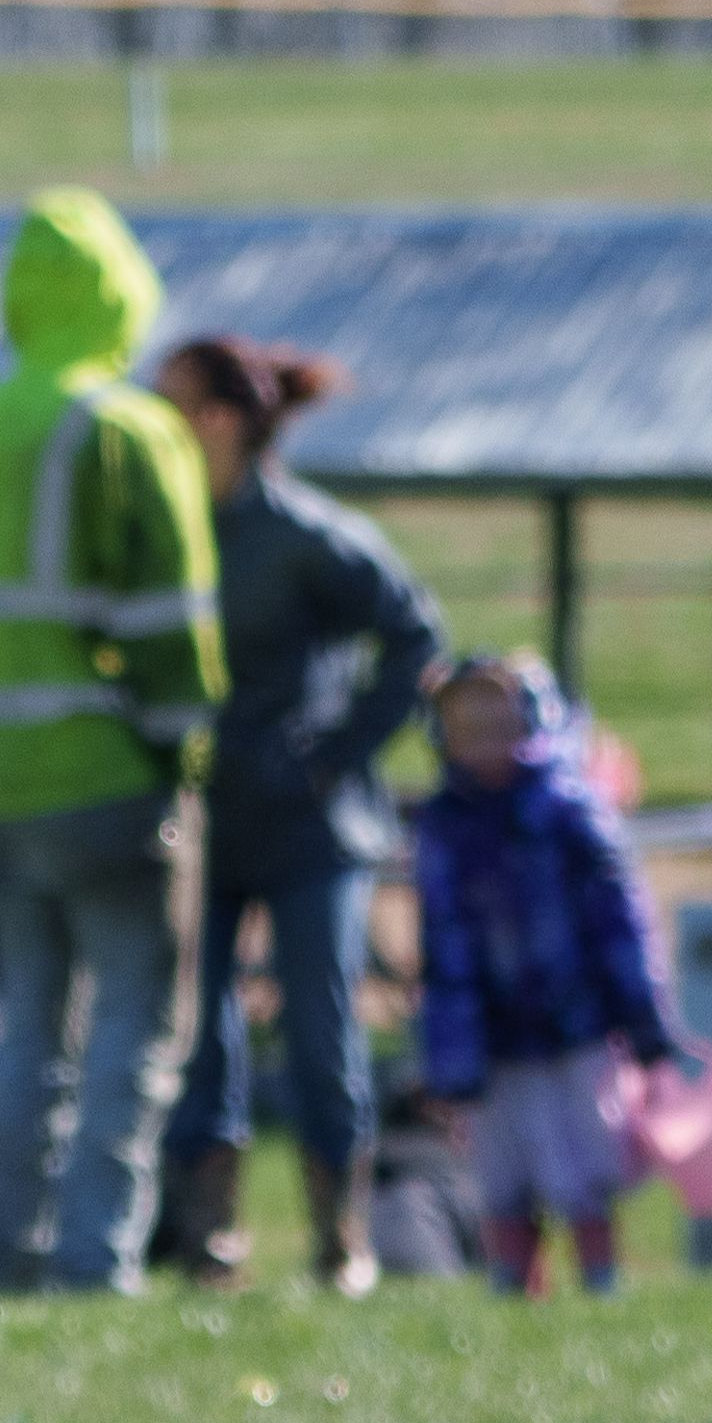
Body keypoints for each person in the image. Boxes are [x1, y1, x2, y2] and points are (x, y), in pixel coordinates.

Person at [0, 189, 225, 1291]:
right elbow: (172, 626)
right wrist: (180, 757)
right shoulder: (132, 428)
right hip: (115, 777)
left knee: (27, 1036)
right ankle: (98, 1262)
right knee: (134, 1031)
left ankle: (13, 1256)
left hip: (2, 779)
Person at [158, 333, 445, 1298]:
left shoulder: (305, 533)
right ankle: (212, 1241)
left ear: (224, 419)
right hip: (207, 817)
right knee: (200, 1033)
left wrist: (335, 750)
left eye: (175, 399)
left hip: (313, 827)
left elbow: (415, 637)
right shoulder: (173, 523)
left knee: (323, 1028)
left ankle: (341, 1238)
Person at [408, 654, 675, 1295]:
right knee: (503, 1178)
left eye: (498, 725)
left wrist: (644, 1020)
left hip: (573, 1029)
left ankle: (600, 1283)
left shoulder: (568, 813)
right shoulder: (444, 826)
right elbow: (442, 952)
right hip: (491, 1039)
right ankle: (515, 1288)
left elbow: (622, 924)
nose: (483, 743)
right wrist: (445, 1054)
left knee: (582, 1169)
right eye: (466, 728)